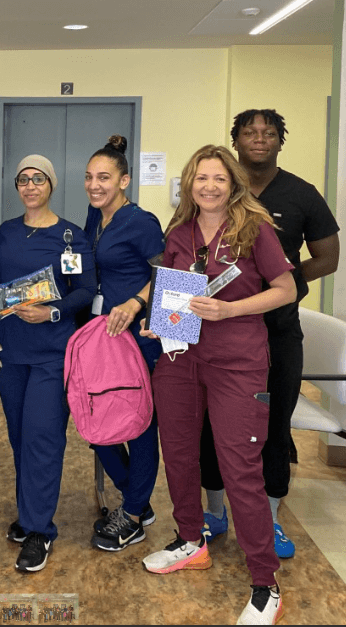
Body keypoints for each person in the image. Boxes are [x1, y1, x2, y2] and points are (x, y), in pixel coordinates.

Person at [141, 145, 296, 625]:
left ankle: (264, 583)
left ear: (233, 184)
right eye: (200, 178)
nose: (209, 186)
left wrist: (230, 309)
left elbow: (285, 290)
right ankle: (191, 540)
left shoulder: (255, 229)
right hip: (180, 355)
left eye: (219, 179)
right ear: (189, 184)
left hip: (237, 360)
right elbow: (170, 287)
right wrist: (156, 320)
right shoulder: (180, 232)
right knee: (182, 453)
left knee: (239, 467)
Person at [199, 110, 340, 559]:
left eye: (269, 133)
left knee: (274, 426)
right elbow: (186, 260)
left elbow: (328, 257)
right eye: (249, 132)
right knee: (211, 426)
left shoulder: (301, 194)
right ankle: (215, 512)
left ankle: (270, 517)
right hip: (216, 333)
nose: (259, 139)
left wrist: (284, 283)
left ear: (281, 140)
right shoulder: (216, 191)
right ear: (235, 139)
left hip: (277, 331)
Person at [0, 155, 96, 572]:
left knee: (43, 437)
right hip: (10, 352)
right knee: (19, 436)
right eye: (23, 179)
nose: (30, 186)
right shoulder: (6, 232)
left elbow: (85, 291)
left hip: (52, 353)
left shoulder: (71, 236)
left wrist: (53, 312)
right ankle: (30, 512)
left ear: (51, 184)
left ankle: (39, 530)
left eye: (38, 179)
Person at [81, 136, 164, 551]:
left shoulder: (142, 222)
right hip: (104, 336)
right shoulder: (97, 219)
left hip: (137, 336)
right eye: (90, 177)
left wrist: (135, 302)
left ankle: (132, 515)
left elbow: (166, 275)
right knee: (96, 417)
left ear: (125, 180)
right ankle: (138, 498)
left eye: (105, 178)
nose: (95, 185)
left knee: (140, 423)